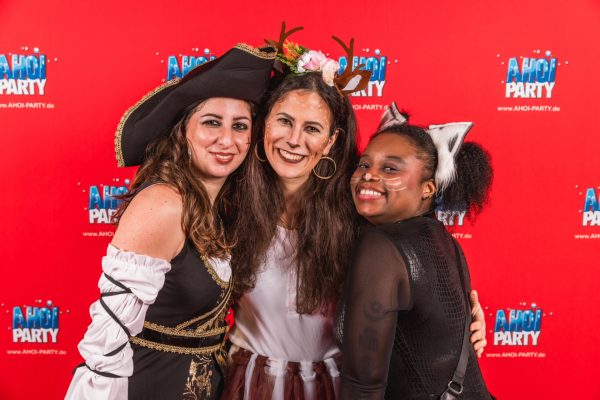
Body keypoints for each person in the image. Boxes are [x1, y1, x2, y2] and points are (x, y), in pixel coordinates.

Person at [221, 37, 487, 400]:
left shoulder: (362, 213)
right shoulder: (230, 202)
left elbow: (423, 268)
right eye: (284, 121)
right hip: (250, 383)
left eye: (312, 128)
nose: (294, 140)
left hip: (340, 387)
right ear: (265, 124)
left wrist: (458, 325)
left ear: (332, 140)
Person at [65, 43, 276, 400]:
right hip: (150, 385)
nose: (227, 139)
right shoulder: (164, 203)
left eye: (240, 126)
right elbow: (108, 337)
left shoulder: (223, 207)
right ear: (183, 130)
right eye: (211, 122)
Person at [336, 103, 494, 399]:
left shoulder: (381, 248)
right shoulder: (446, 242)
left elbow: (362, 386)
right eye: (364, 165)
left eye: (390, 169)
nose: (369, 175)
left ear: (428, 188)